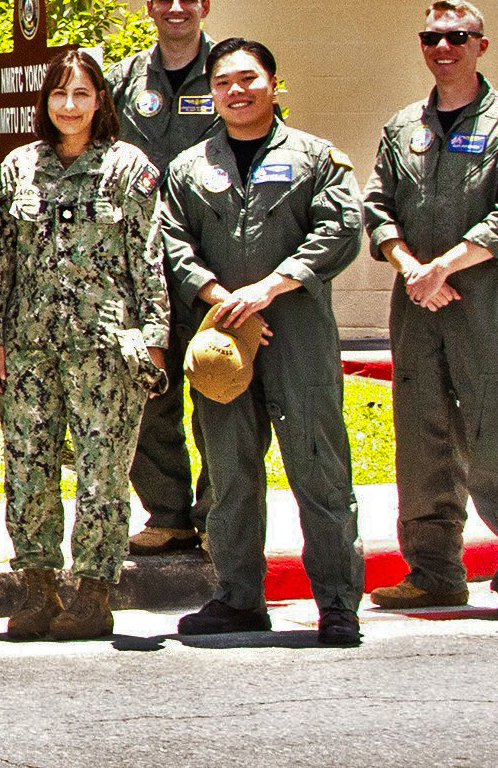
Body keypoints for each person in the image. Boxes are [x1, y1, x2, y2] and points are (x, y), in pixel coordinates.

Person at [159, 37, 366, 646]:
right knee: (228, 469)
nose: (236, 91)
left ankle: (336, 602)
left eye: (248, 79)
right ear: (211, 91)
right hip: (221, 335)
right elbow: (170, 242)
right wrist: (219, 296)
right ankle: (238, 597)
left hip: (296, 331)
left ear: (274, 84)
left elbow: (340, 229)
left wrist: (271, 288)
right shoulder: (189, 169)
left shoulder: (316, 157)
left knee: (319, 467)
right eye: (223, 82)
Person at [366, 0, 498, 622]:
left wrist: (443, 267)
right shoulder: (402, 128)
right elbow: (377, 207)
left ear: (481, 45)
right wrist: (411, 269)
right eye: (431, 37)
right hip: (416, 299)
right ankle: (434, 572)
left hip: (488, 298)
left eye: (456, 37)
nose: (442, 48)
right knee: (422, 438)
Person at [0, 50, 167, 642]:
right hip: (30, 345)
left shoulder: (127, 166)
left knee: (101, 474)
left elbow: (149, 256)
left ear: (101, 102)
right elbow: (0, 260)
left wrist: (154, 339)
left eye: (81, 95)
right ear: (45, 103)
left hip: (105, 347)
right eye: (59, 95)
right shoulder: (18, 169)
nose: (69, 106)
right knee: (29, 469)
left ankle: (93, 592)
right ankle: (38, 587)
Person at [109, 0, 217, 555]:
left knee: (217, 389)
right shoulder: (125, 79)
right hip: (139, 256)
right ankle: (168, 512)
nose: (176, 8)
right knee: (149, 388)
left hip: (211, 260)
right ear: (149, 7)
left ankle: (217, 512)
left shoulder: (229, 72)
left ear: (205, 5)